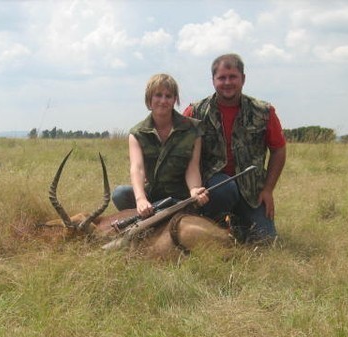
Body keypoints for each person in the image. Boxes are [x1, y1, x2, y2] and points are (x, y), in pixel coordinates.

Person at [184, 53, 286, 243]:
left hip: (251, 192)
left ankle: (238, 224)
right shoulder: (195, 113)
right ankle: (213, 224)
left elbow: (279, 149)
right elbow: (181, 152)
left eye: (233, 77)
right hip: (213, 190)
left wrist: (268, 190)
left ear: (243, 79)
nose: (227, 82)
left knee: (266, 241)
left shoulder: (263, 112)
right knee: (225, 188)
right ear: (213, 80)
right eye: (221, 78)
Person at [112, 73, 208, 218]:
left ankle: (158, 216)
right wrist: (140, 199)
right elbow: (137, 169)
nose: (163, 101)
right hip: (152, 196)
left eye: (168, 96)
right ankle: (150, 214)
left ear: (175, 99)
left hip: (180, 198)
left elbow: (192, 167)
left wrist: (195, 190)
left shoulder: (192, 129)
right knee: (120, 194)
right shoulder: (137, 133)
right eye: (158, 95)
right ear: (149, 99)